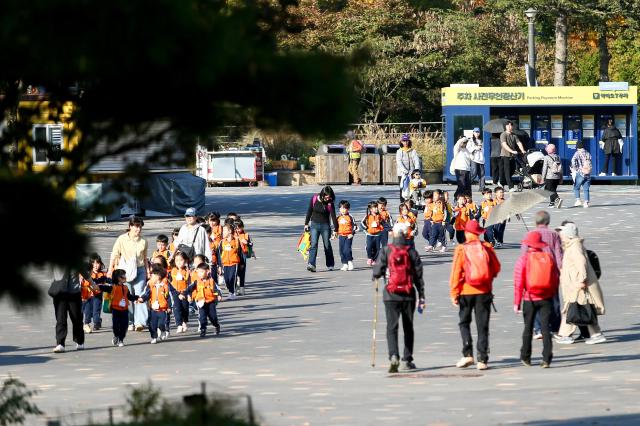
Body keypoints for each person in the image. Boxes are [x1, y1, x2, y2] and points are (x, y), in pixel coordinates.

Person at [372, 222, 426, 373]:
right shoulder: (412, 252)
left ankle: (393, 356)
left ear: (394, 234)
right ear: (406, 234)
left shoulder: (386, 250)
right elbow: (418, 277)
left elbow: (376, 272)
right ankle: (407, 359)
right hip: (408, 294)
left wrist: (377, 277)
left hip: (390, 295)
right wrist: (421, 296)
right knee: (408, 327)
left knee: (392, 327)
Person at [449, 220, 501, 370]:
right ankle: (482, 359)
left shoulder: (461, 249)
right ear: (479, 233)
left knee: (464, 323)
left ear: (466, 233)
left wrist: (454, 292)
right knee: (482, 326)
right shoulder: (487, 247)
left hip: (466, 291)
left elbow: (456, 273)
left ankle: (467, 354)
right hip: (484, 292)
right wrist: (487, 278)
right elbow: (496, 268)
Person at [555, 222, 607, 345]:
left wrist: (581, 280)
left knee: (576, 308)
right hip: (575, 285)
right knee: (580, 308)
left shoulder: (575, 247)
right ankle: (595, 334)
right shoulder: (571, 246)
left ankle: (565, 335)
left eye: (562, 233)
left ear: (568, 235)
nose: (560, 235)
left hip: (578, 285)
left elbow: (581, 264)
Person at [514, 232, 559, 368]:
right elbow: (555, 279)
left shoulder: (524, 259)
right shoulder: (548, 257)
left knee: (528, 328)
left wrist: (517, 302)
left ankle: (526, 357)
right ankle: (546, 358)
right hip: (546, 297)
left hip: (529, 298)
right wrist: (551, 295)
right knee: (546, 328)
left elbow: (519, 282)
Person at [520, 210, 564, 339]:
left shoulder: (529, 235)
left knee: (535, 299)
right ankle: (555, 328)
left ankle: (538, 328)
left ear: (535, 221)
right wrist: (560, 270)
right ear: (548, 221)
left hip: (533, 272)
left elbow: (523, 257)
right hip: (551, 271)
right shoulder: (554, 235)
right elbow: (558, 255)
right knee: (554, 301)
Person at [108, 215, 150, 331]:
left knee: (140, 294)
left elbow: (145, 258)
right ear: (130, 226)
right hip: (125, 272)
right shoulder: (122, 239)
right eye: (136, 226)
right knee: (127, 296)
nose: (138, 229)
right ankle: (130, 321)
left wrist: (147, 272)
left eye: (140, 226)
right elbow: (114, 254)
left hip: (140, 270)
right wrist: (110, 269)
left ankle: (140, 322)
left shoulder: (144, 241)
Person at [50, 267, 94, 353]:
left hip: (74, 292)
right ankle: (60, 344)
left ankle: (80, 341)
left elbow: (84, 271)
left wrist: (92, 283)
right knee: (60, 318)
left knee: (77, 318)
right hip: (59, 291)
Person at [137, 264, 179, 344]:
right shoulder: (151, 286)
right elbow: (147, 294)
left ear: (158, 276)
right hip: (153, 310)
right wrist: (142, 299)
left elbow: (169, 297)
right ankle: (154, 337)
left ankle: (163, 330)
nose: (151, 277)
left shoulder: (165, 286)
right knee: (152, 325)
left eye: (153, 276)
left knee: (161, 324)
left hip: (162, 310)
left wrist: (170, 307)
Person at [98, 269, 139, 347]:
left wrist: (137, 298)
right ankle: (116, 335)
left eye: (124, 275)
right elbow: (104, 287)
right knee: (116, 325)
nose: (125, 277)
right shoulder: (113, 287)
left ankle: (121, 339)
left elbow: (129, 297)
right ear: (118, 278)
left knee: (124, 325)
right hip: (115, 309)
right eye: (123, 276)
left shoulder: (126, 287)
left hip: (124, 309)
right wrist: (97, 286)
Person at [304, 186, 338, 272]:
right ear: (322, 194)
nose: (328, 198)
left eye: (329, 197)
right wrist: (306, 223)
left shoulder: (330, 203)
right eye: (326, 197)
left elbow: (333, 216)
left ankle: (330, 264)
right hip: (314, 225)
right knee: (314, 244)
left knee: (327, 245)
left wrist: (336, 229)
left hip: (325, 226)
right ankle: (311, 264)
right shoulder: (314, 198)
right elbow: (309, 210)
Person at [183, 262, 221, 338]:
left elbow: (216, 289)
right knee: (202, 317)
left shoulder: (211, 281)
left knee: (213, 317)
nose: (199, 274)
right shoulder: (196, 282)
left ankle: (216, 325)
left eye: (202, 272)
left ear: (207, 271)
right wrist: (184, 294)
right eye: (198, 272)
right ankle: (203, 329)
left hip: (210, 302)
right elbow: (189, 289)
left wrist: (219, 295)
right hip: (201, 302)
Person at [81, 253, 107, 333]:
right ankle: (86, 324)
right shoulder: (87, 273)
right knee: (87, 311)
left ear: (100, 264)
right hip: (87, 296)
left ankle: (97, 322)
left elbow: (107, 282)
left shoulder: (102, 274)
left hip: (97, 296)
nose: (96, 265)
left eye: (97, 263)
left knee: (96, 311)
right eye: (93, 263)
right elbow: (82, 282)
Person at [216, 223, 243, 300]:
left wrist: (241, 263)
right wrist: (220, 266)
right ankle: (231, 288)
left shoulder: (236, 241)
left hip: (234, 263)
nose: (222, 232)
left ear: (230, 231)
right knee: (227, 279)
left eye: (224, 230)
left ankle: (232, 293)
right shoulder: (222, 242)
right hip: (225, 264)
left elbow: (240, 253)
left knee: (232, 277)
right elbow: (219, 254)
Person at [499, 121, 526, 192]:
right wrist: (512, 151)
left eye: (511, 126)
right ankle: (511, 187)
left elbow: (519, 143)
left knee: (512, 170)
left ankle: (501, 182)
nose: (510, 127)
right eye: (508, 126)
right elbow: (504, 145)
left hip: (512, 156)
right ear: (506, 127)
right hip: (505, 155)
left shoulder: (514, 135)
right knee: (507, 171)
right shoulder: (503, 134)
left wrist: (522, 150)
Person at [169, 251, 191, 333]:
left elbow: (189, 283)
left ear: (185, 261)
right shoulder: (173, 270)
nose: (178, 262)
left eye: (181, 260)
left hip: (184, 292)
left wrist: (188, 294)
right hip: (175, 292)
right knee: (176, 308)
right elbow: (171, 282)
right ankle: (179, 325)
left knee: (185, 308)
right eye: (176, 260)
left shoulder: (187, 271)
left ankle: (184, 322)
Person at [396, 134, 421, 201]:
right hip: (402, 173)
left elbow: (416, 160)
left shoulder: (413, 151)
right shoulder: (399, 151)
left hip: (412, 173)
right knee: (403, 188)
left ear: (409, 141)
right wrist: (405, 171)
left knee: (414, 187)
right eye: (404, 141)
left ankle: (414, 201)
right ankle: (403, 202)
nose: (405, 142)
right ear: (401, 142)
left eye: (407, 141)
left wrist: (416, 170)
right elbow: (399, 162)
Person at [570, 140, 593, 208]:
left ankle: (578, 200)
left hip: (580, 173)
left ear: (577, 147)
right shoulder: (587, 153)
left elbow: (573, 161)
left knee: (576, 187)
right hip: (588, 173)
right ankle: (586, 202)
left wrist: (575, 169)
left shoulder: (577, 153)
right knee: (586, 189)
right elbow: (590, 161)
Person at [361, 201, 384, 266]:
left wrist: (381, 228)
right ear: (371, 209)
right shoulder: (367, 216)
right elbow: (362, 223)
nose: (376, 208)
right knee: (369, 247)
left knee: (377, 248)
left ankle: (374, 259)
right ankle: (370, 258)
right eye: (374, 207)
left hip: (377, 234)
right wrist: (366, 229)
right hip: (369, 235)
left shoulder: (379, 216)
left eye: (376, 207)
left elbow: (383, 223)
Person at [337, 200, 357, 271]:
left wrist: (352, 233)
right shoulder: (338, 217)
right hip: (341, 236)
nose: (343, 210)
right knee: (341, 250)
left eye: (344, 208)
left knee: (347, 249)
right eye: (341, 208)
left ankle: (350, 261)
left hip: (348, 236)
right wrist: (334, 234)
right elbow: (336, 227)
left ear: (348, 209)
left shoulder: (350, 217)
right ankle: (344, 264)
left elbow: (355, 226)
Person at [542, 144, 563, 208]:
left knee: (550, 190)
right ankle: (552, 203)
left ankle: (558, 199)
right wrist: (561, 178)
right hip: (557, 177)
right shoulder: (558, 157)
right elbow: (561, 168)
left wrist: (543, 178)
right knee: (553, 190)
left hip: (549, 177)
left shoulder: (546, 157)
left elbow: (544, 168)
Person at [235, 220, 253, 296]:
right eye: (236, 228)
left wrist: (247, 243)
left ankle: (242, 289)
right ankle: (235, 288)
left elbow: (251, 244)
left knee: (242, 272)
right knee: (235, 272)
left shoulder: (246, 235)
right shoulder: (232, 235)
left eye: (240, 228)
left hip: (242, 255)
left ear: (242, 227)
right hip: (234, 255)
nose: (238, 230)